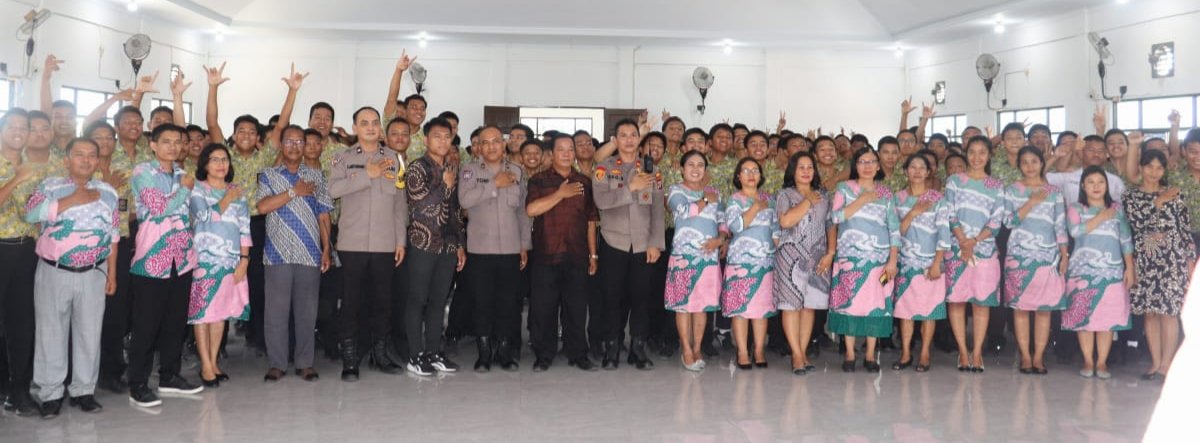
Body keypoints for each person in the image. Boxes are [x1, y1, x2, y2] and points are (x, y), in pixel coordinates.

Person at [25, 138, 118, 418]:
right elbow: (31, 214)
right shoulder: (49, 186)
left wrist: (112, 274)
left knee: (90, 333)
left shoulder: (108, 192)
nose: (86, 160)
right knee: (50, 333)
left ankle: (83, 391)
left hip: (94, 272)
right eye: (79, 155)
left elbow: (113, 235)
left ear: (98, 161)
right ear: (67, 160)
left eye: (92, 155)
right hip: (54, 270)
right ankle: (51, 393)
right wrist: (72, 200)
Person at [328, 107, 408, 381]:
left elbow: (400, 203)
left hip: (385, 243)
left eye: (375, 123)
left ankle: (379, 354)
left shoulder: (394, 159)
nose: (371, 127)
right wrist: (367, 175)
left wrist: (400, 240)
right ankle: (350, 359)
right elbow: (332, 190)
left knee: (383, 302)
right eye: (364, 123)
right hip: (352, 242)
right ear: (354, 128)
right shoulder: (342, 158)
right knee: (351, 303)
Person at [127, 124, 203, 408]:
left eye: (178, 142)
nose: (173, 147)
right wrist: (184, 191)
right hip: (151, 261)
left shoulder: (184, 174)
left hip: (181, 259)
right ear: (153, 145)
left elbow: (198, 212)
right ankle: (137, 384)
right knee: (146, 325)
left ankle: (169, 376)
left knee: (175, 323)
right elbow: (158, 208)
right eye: (166, 141)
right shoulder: (143, 172)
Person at [257, 125, 333, 382]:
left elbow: (324, 215)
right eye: (289, 141)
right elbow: (263, 207)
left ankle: (305, 363)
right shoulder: (268, 175)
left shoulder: (317, 176)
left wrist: (326, 249)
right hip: (277, 253)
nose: (294, 146)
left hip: (310, 252)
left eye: (300, 141)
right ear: (281, 145)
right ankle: (277, 364)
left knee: (306, 313)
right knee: (276, 313)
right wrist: (293, 192)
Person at [592, 118, 665, 370]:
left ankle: (638, 348)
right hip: (614, 242)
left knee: (641, 299)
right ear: (615, 140)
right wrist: (630, 187)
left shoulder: (652, 169)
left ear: (639, 138)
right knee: (612, 298)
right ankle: (611, 348)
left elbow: (657, 211)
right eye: (623, 135)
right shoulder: (604, 168)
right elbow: (601, 202)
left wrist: (656, 243)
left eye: (633, 134)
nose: (629, 139)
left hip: (644, 245)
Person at [458, 126, 531, 371]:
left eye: (496, 141)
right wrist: (494, 184)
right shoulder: (469, 171)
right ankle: (484, 354)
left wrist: (524, 245)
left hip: (510, 248)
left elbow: (522, 213)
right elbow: (464, 200)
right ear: (479, 146)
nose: (491, 146)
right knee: (482, 302)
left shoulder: (517, 171)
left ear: (504, 144)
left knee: (508, 303)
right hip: (480, 250)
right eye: (486, 142)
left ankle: (504, 352)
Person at [526, 133, 600, 372]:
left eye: (571, 149)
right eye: (562, 149)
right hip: (546, 253)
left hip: (577, 254)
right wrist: (560, 194)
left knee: (576, 308)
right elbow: (531, 210)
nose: (567, 154)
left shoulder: (584, 182)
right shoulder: (539, 180)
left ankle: (577, 353)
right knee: (544, 308)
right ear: (552, 153)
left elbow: (591, 221)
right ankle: (543, 354)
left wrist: (593, 254)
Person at [828, 147, 900, 373]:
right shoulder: (844, 188)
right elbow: (835, 217)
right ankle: (850, 353)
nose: (867, 166)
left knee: (876, 305)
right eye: (862, 161)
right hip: (849, 260)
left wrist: (893, 260)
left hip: (880, 262)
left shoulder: (886, 193)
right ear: (855, 165)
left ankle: (870, 354)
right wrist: (862, 200)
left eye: (871, 162)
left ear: (878, 166)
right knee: (849, 304)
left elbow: (894, 229)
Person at [403, 117, 466, 376]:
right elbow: (422, 206)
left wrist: (460, 244)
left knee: (439, 301)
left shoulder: (451, 167)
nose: (442, 141)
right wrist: (445, 185)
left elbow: (455, 211)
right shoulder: (417, 167)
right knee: (417, 299)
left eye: (447, 137)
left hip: (448, 246)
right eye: (437, 136)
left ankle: (433, 352)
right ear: (426, 139)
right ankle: (415, 355)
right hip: (423, 242)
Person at [1124, 150, 1194, 380]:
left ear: (1164, 171)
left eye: (1159, 168)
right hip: (1146, 259)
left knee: (1169, 312)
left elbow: (1184, 230)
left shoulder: (1175, 193)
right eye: (1149, 166)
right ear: (1141, 168)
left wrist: (1190, 261)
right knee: (1150, 313)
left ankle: (1166, 365)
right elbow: (1138, 225)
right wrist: (1158, 203)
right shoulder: (1131, 196)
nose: (1154, 172)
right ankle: (1154, 363)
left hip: (1172, 259)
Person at [187, 144, 252, 386]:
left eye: (224, 159)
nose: (221, 164)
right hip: (204, 261)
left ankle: (213, 362)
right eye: (214, 159)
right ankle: (205, 365)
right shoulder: (197, 189)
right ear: (205, 164)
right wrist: (226, 199)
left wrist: (244, 260)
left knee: (220, 313)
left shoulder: (237, 191)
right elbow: (203, 217)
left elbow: (245, 229)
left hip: (231, 260)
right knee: (202, 313)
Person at [1064, 166, 1134, 379]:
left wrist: (1130, 267)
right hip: (1081, 271)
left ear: (1107, 185)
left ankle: (1102, 362)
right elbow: (1075, 231)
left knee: (1107, 318)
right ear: (1083, 186)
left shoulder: (1117, 209)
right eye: (1091, 182)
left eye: (1100, 182)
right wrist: (1102, 216)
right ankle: (1088, 360)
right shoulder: (1076, 208)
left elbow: (1126, 240)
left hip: (1112, 272)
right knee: (1084, 317)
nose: (1096, 186)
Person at [1003, 146, 1069, 375]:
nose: (1030, 166)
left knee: (1044, 309)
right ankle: (1025, 356)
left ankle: (1039, 357)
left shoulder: (1054, 192)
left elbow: (1060, 226)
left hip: (1048, 257)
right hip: (1019, 257)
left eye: (1034, 161)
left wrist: (1064, 254)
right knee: (1020, 308)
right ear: (1019, 166)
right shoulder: (1012, 190)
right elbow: (1008, 222)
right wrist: (1031, 202)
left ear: (1042, 163)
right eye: (1025, 162)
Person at [943, 135, 1005, 372]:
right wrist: (963, 241)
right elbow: (949, 214)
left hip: (985, 251)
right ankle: (962, 351)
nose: (977, 157)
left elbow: (996, 221)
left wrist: (974, 241)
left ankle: (977, 352)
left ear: (989, 155)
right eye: (972, 152)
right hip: (957, 250)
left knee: (981, 302)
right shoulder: (954, 181)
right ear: (965, 154)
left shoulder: (996, 186)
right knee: (957, 301)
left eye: (982, 152)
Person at [85, 121, 136, 394]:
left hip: (121, 244)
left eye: (109, 137)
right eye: (98, 137)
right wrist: (107, 187)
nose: (104, 142)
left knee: (116, 312)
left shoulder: (123, 169)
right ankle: (82, 374)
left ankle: (112, 371)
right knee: (86, 313)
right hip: (88, 248)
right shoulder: (82, 170)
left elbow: (130, 208)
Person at [774, 152, 833, 375]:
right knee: (792, 306)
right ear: (793, 171)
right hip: (791, 258)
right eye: (801, 167)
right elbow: (786, 221)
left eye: (810, 167)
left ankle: (803, 351)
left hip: (818, 256)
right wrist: (807, 201)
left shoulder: (824, 195)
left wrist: (830, 252)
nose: (806, 171)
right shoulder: (784, 194)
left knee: (810, 305)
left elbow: (830, 225)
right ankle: (796, 355)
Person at [664, 151, 723, 371]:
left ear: (705, 170)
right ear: (682, 169)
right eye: (691, 164)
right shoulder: (675, 190)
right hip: (683, 258)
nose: (696, 169)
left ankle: (697, 348)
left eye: (700, 165)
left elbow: (723, 221)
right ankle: (686, 350)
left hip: (708, 257)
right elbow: (683, 211)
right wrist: (706, 199)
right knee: (683, 306)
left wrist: (721, 239)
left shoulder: (715, 192)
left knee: (702, 306)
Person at [892, 154, 951, 372]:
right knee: (905, 310)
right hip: (905, 264)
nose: (917, 171)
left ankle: (925, 353)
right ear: (905, 171)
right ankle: (906, 353)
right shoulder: (897, 198)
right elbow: (894, 232)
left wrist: (937, 263)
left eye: (921, 167)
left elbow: (944, 232)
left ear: (928, 172)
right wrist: (913, 213)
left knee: (929, 310)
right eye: (912, 167)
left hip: (930, 264)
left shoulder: (937, 198)